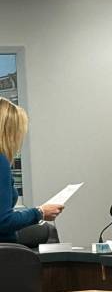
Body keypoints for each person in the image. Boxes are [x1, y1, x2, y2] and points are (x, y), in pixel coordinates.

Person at [0, 97, 64, 243]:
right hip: (5, 254)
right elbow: (3, 221)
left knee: (46, 231)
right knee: (48, 233)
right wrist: (40, 212)